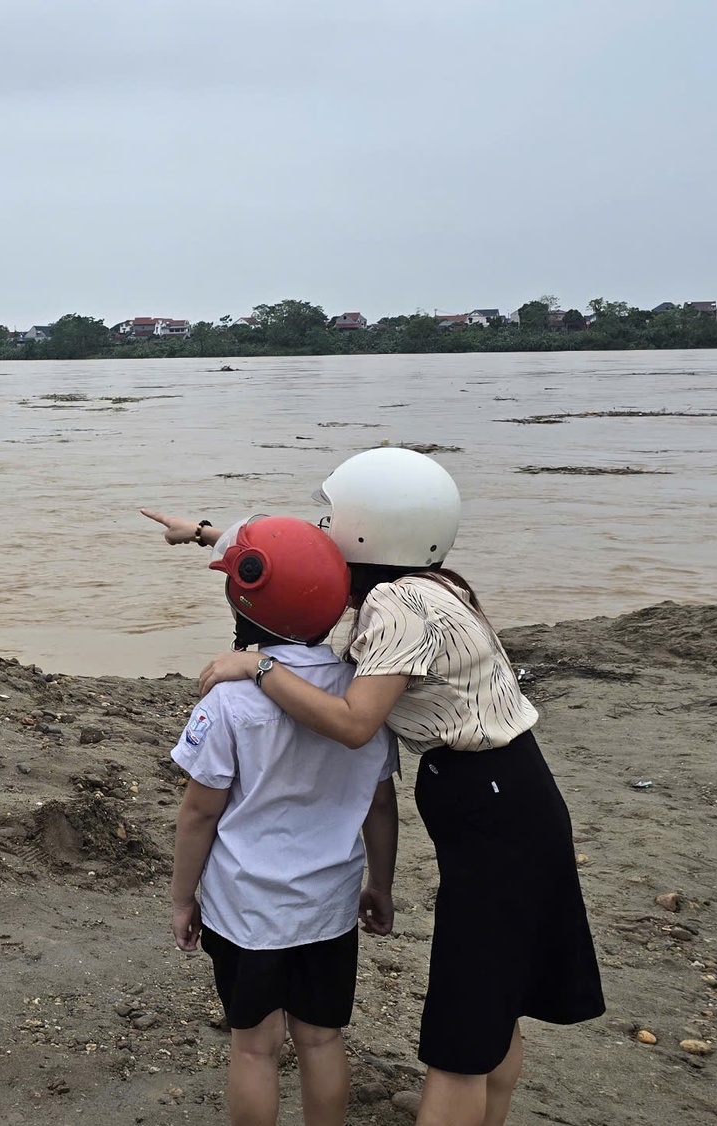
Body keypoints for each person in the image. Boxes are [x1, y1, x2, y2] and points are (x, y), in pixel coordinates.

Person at [152, 448, 604, 1126]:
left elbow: (357, 724)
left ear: (365, 529)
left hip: (491, 809)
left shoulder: (393, 604)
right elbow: (294, 558)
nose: (326, 526)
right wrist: (210, 532)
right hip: (513, 793)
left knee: (462, 1024)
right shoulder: (427, 579)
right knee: (495, 997)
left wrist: (258, 666)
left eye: (335, 516)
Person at [168, 515, 400, 1126]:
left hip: (245, 905)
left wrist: (181, 898)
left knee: (253, 1046)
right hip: (327, 901)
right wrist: (381, 884)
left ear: (242, 606)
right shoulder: (359, 692)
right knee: (321, 1039)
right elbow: (381, 804)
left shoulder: (230, 697)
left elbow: (198, 812)